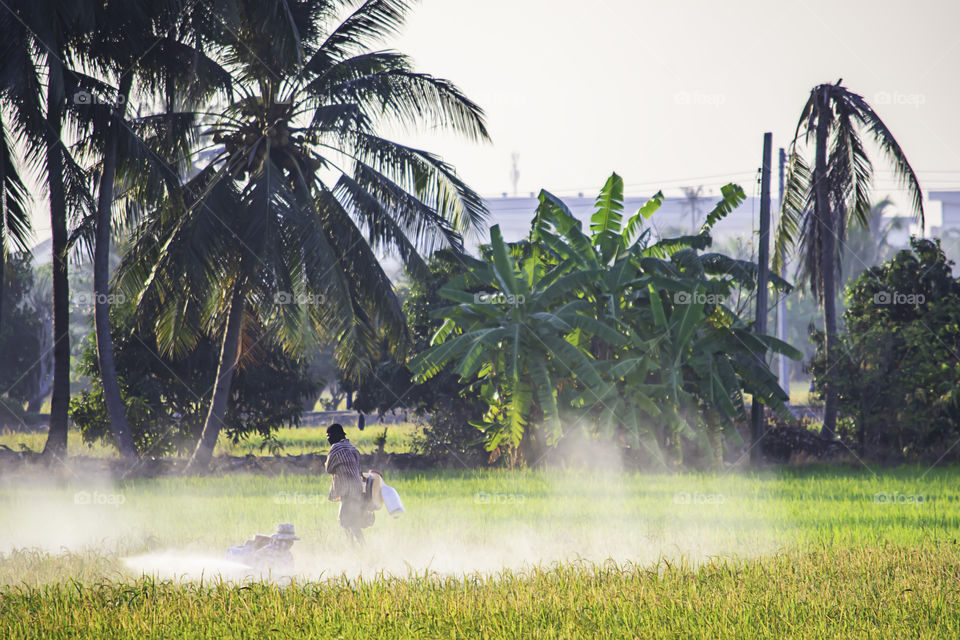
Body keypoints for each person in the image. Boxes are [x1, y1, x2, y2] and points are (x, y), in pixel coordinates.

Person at [324, 423, 371, 544]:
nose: (328, 439)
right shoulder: (352, 448)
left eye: (329, 436)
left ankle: (354, 546)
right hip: (358, 489)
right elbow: (358, 468)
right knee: (352, 519)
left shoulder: (335, 448)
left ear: (338, 435)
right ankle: (359, 545)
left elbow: (328, 469)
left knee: (344, 520)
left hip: (347, 490)